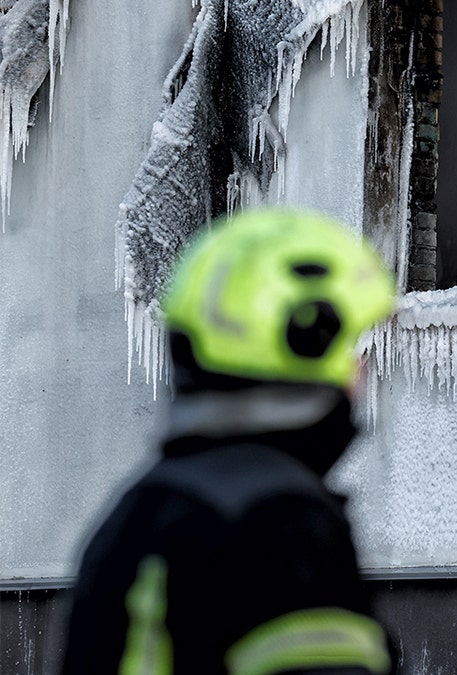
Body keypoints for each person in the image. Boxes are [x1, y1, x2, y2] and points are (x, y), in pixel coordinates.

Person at [62, 208, 396, 674]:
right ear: (301, 352)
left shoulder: (140, 510)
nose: (361, 372)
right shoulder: (279, 524)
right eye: (348, 348)